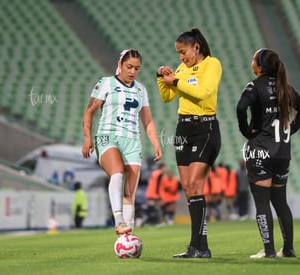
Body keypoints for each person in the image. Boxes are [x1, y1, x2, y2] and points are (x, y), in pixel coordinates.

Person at [236, 48, 300, 258]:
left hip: (260, 151)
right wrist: (291, 129)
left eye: (253, 59)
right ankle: (288, 249)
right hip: (282, 153)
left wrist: (246, 130)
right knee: (280, 201)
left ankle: (268, 250)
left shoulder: (255, 85)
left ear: (259, 67)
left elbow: (241, 107)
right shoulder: (285, 87)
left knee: (262, 202)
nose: (251, 62)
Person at [157, 28, 222, 258]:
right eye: (178, 54)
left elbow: (204, 93)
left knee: (195, 184)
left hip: (205, 128)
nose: (181, 58)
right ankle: (200, 247)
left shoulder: (212, 64)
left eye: (183, 52)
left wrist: (175, 81)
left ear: (196, 47)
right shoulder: (182, 69)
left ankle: (197, 245)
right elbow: (167, 97)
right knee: (188, 188)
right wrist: (162, 79)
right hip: (183, 128)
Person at [82, 49, 162, 235]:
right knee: (117, 172)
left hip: (132, 141)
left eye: (137, 68)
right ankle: (118, 220)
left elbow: (147, 120)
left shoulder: (141, 89)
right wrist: (87, 137)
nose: (133, 71)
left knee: (130, 194)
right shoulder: (106, 83)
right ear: (120, 65)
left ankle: (127, 239)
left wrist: (156, 143)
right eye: (129, 67)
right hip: (107, 136)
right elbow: (89, 111)